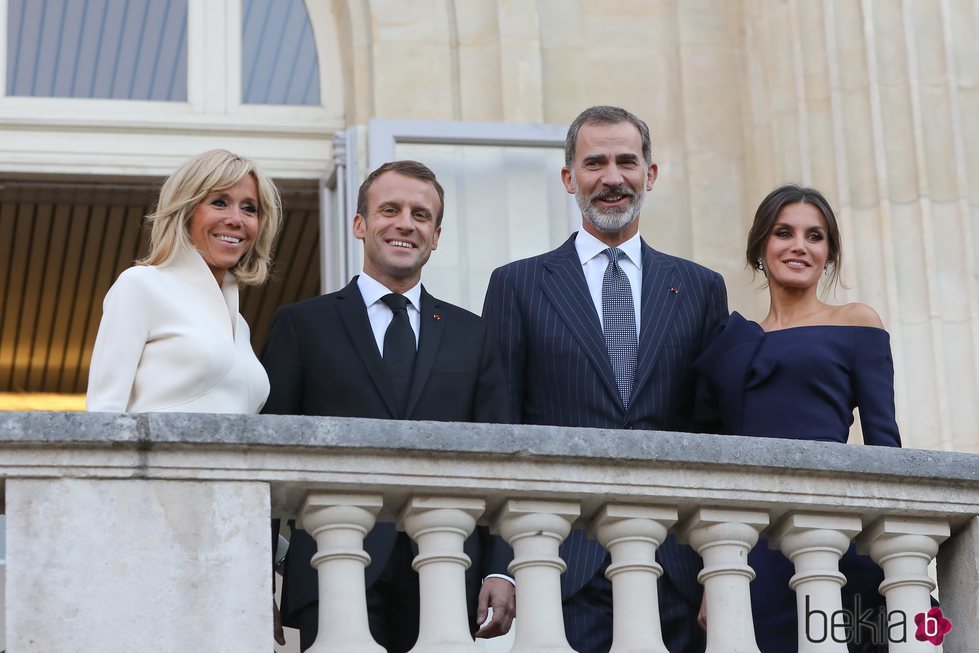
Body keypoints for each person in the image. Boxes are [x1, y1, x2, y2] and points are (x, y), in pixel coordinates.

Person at [482, 105, 729, 653]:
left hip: (676, 567)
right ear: (570, 178)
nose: (612, 177)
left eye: (626, 161)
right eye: (594, 162)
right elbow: (500, 432)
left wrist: (720, 569)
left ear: (650, 174)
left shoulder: (700, 288)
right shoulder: (517, 286)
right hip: (562, 567)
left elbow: (714, 436)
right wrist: (500, 567)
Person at [261, 160, 516, 652]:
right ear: (360, 224)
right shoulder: (302, 325)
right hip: (331, 562)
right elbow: (270, 460)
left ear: (436, 236)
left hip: (446, 566)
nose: (405, 223)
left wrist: (500, 567)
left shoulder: (474, 336)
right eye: (390, 209)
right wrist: (257, 575)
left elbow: (498, 460)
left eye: (421, 215)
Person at [692, 184, 901, 652]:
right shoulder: (729, 340)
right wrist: (710, 570)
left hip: (835, 533)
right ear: (761, 249)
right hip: (750, 546)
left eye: (815, 236)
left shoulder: (856, 321)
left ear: (828, 254)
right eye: (784, 232)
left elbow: (885, 443)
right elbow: (709, 460)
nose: (799, 246)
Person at [86, 148, 281, 413]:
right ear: (186, 212)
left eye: (249, 208)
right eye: (219, 202)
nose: (236, 220)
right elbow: (104, 413)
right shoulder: (140, 286)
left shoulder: (241, 325)